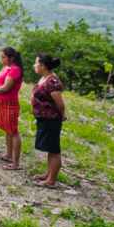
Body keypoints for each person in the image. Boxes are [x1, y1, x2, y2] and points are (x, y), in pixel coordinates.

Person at [31, 54, 67, 187]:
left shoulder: (52, 81)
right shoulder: (45, 78)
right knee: (49, 148)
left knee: (53, 149)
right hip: (44, 118)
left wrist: (62, 115)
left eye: (36, 63)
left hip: (51, 119)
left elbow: (60, 103)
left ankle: (51, 180)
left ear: (43, 66)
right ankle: (48, 174)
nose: (34, 66)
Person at [0, 46, 25, 170]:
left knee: (13, 131)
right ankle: (8, 155)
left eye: (3, 57)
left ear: (11, 58)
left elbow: (6, 87)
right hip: (2, 104)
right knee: (7, 130)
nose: (1, 59)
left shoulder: (15, 70)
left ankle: (16, 162)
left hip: (10, 104)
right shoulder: (6, 68)